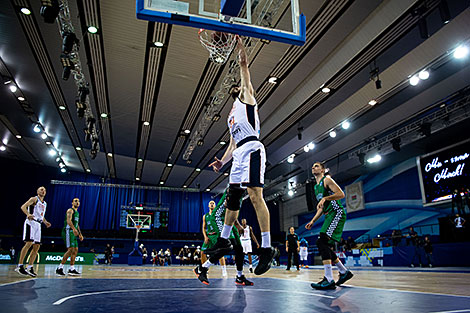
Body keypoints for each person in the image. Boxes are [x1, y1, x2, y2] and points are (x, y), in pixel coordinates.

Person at [208, 36, 277, 275]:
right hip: (238, 154)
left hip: (252, 148)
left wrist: (239, 47)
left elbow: (244, 66)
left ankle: (267, 248)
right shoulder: (231, 116)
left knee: (254, 195)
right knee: (233, 198)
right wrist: (222, 161)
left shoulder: (248, 98)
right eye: (237, 87)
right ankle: (224, 240)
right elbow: (231, 144)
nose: (240, 86)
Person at [305, 162, 353, 290]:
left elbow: (341, 194)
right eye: (312, 166)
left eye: (316, 166)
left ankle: (329, 278)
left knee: (321, 242)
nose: (313, 167)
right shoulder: (316, 187)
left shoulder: (327, 180)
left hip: (337, 213)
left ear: (322, 170)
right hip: (329, 214)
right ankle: (343, 272)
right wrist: (313, 221)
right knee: (323, 244)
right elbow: (321, 207)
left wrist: (326, 199)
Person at [195, 189, 253, 286]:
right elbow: (228, 208)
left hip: (230, 221)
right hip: (220, 220)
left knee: (239, 249)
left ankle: (239, 276)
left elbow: (233, 211)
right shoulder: (235, 187)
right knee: (226, 246)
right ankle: (202, 268)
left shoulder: (242, 193)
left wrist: (237, 224)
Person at [15, 186, 51, 277]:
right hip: (31, 223)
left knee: (37, 246)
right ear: (37, 191)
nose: (43, 191)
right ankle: (20, 266)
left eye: (44, 190)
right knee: (28, 244)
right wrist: (28, 214)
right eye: (41, 189)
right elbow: (23, 207)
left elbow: (41, 216)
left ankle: (30, 267)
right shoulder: (34, 199)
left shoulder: (45, 203)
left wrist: (45, 222)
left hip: (38, 224)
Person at [56, 198, 84, 276]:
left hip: (73, 231)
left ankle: (71, 269)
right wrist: (73, 229)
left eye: (78, 201)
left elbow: (77, 224)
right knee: (70, 249)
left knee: (75, 250)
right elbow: (68, 221)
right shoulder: (70, 210)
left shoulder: (77, 213)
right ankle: (59, 268)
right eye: (75, 201)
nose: (77, 202)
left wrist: (80, 234)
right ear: (72, 203)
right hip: (68, 230)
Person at [201, 200, 228, 277]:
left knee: (220, 253)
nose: (212, 204)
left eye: (213, 203)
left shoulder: (217, 215)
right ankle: (204, 269)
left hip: (216, 235)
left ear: (215, 206)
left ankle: (224, 270)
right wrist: (205, 237)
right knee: (202, 252)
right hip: (209, 236)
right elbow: (203, 228)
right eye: (210, 203)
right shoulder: (205, 216)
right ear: (208, 206)